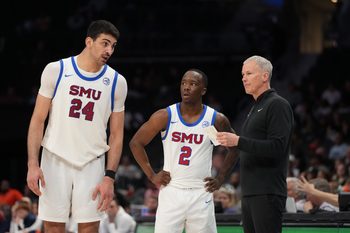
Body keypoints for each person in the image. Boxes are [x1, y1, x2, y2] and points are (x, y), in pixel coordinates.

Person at [26, 20, 127, 233]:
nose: (109, 50)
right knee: (53, 227)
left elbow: (117, 135)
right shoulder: (56, 70)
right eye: (105, 43)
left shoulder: (117, 82)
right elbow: (37, 120)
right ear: (89, 41)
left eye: (113, 46)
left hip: (92, 161)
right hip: (54, 158)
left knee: (90, 228)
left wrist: (110, 176)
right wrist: (33, 163)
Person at [129, 69, 238, 233]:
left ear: (203, 90)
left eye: (193, 84)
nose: (186, 87)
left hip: (201, 191)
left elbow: (235, 148)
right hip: (172, 189)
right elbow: (136, 143)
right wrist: (152, 175)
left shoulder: (216, 119)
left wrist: (221, 178)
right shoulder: (165, 115)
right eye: (184, 83)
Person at [217, 55, 294, 233]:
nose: (244, 78)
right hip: (250, 191)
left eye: (249, 73)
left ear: (265, 76)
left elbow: (277, 147)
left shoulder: (277, 105)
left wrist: (239, 141)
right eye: (243, 74)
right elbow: (251, 145)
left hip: (267, 191)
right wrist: (232, 143)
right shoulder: (255, 107)